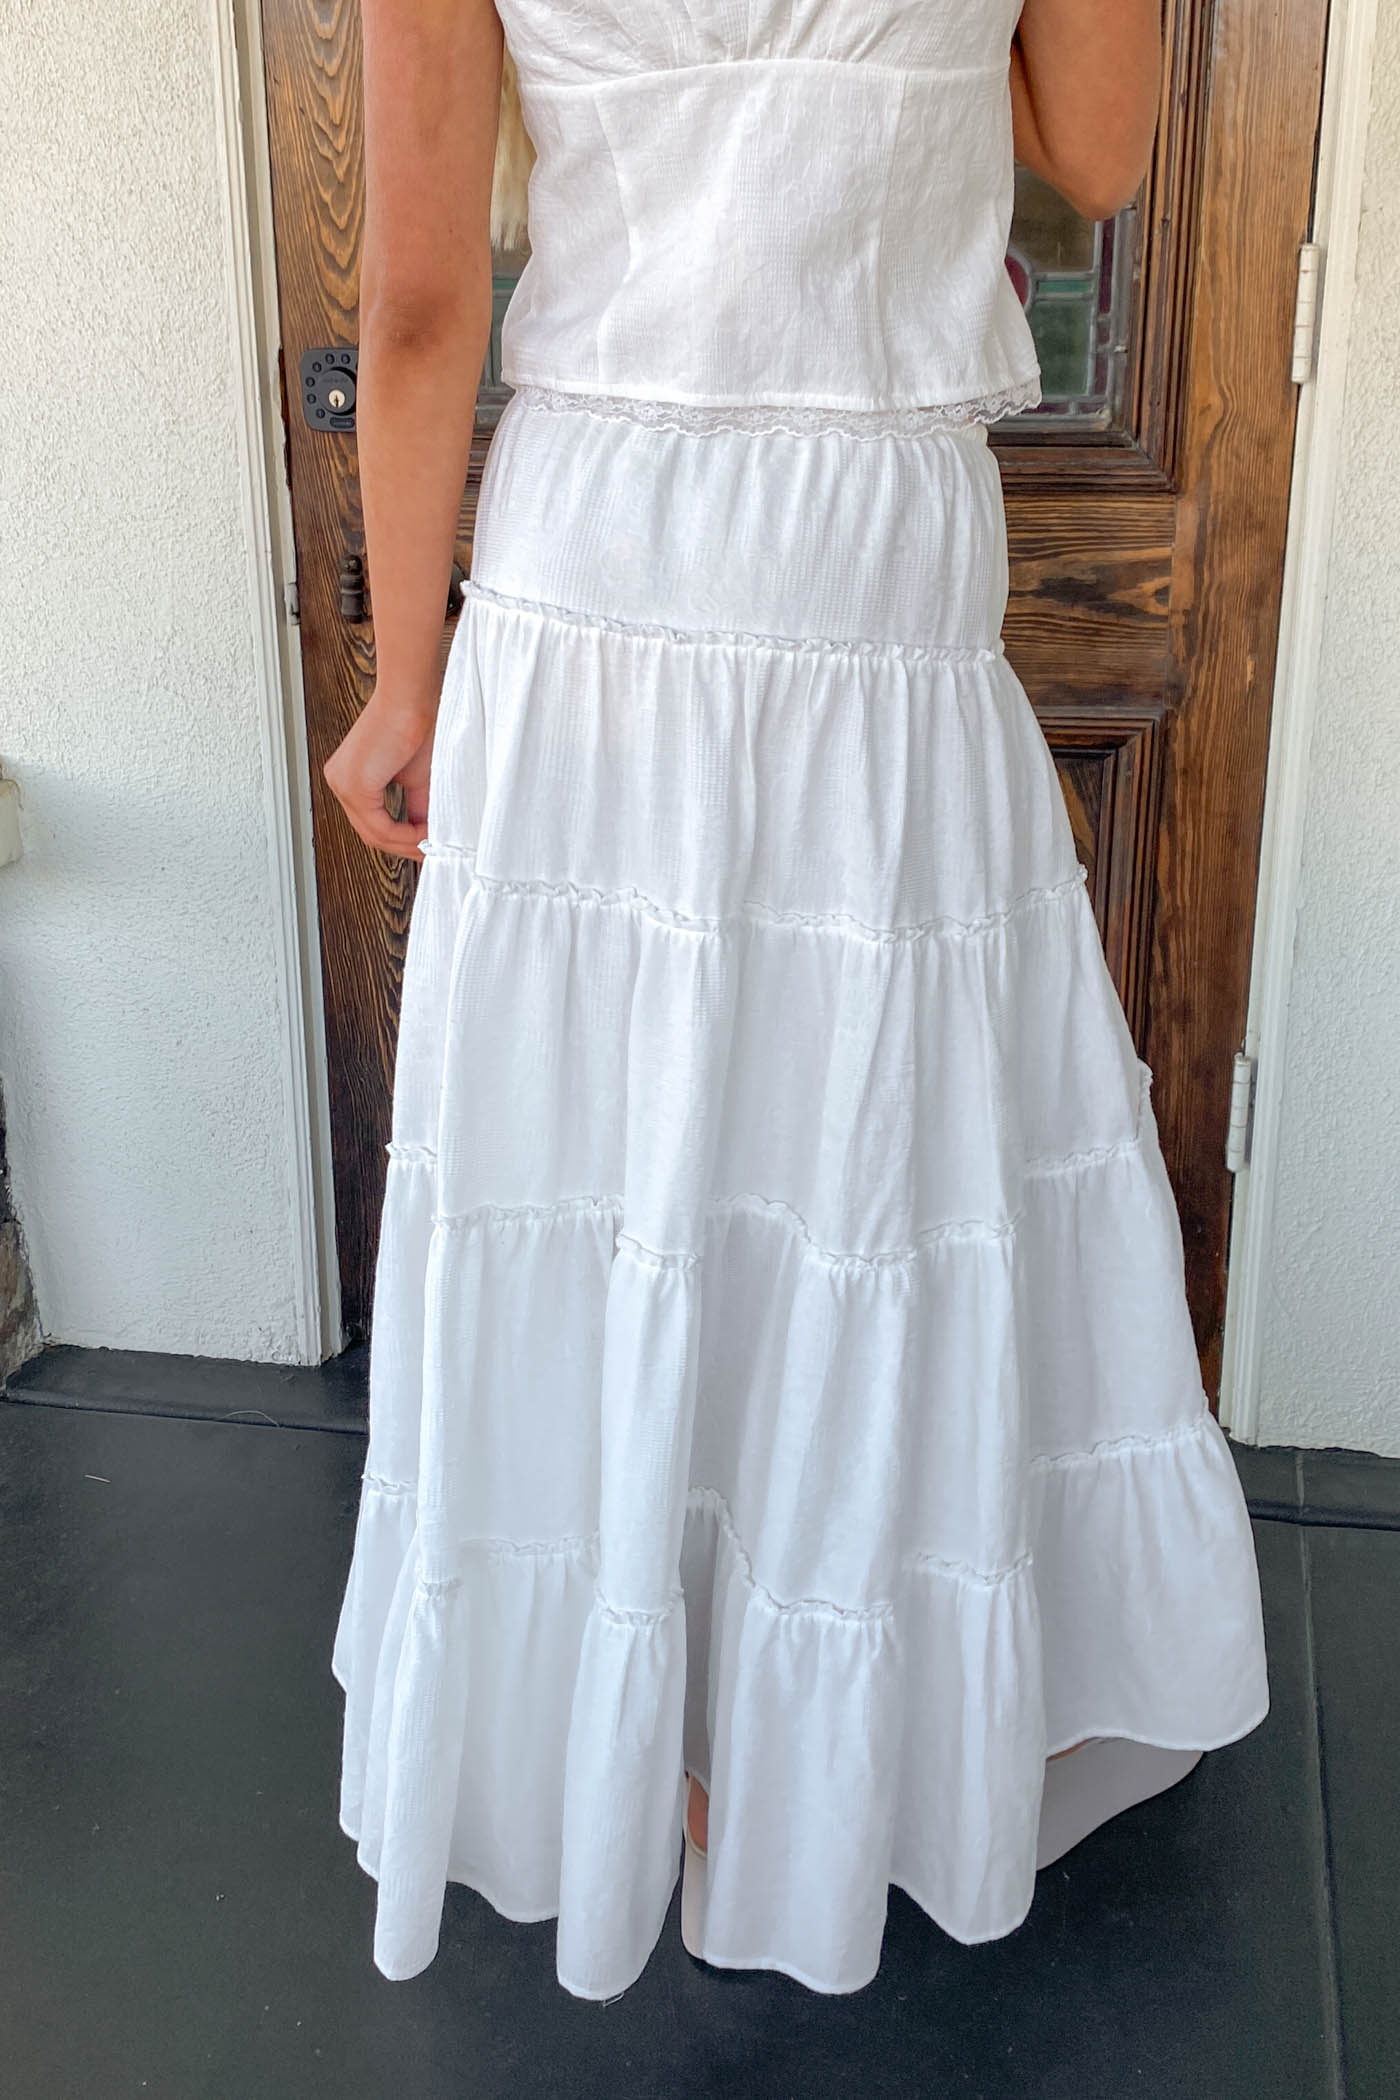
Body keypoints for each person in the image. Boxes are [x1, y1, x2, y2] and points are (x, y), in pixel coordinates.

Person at [324, 0, 1270, 2000]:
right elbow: (1091, 161)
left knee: (618, 1146)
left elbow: (419, 307)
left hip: (598, 561)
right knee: (858, 1139)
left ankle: (633, 1738)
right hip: (866, 544)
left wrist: (407, 680)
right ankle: (842, 1734)